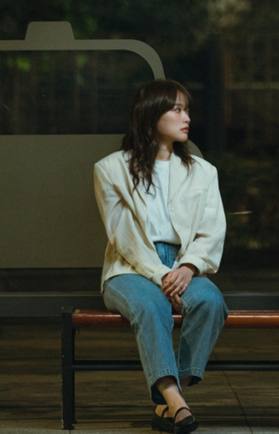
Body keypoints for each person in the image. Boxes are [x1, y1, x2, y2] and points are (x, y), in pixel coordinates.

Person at [94, 79, 228, 434]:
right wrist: (161, 274)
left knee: (211, 302)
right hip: (129, 268)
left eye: (188, 110)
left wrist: (188, 267)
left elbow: (212, 229)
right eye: (177, 109)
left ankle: (166, 402)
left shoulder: (203, 171)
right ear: (151, 114)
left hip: (184, 264)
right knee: (151, 306)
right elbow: (123, 236)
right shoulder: (110, 169)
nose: (187, 118)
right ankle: (176, 401)